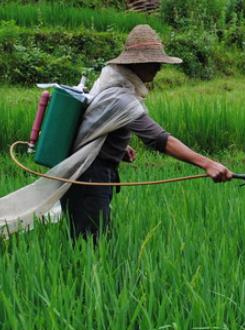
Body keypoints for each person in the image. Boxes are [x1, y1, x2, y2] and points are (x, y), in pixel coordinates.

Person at [60, 25, 233, 241]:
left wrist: (118, 146)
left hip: (89, 175)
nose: (159, 68)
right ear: (136, 64)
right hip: (88, 178)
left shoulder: (111, 86)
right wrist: (207, 163)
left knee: (92, 241)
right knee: (91, 245)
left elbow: (95, 126)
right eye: (154, 63)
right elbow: (158, 138)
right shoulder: (120, 97)